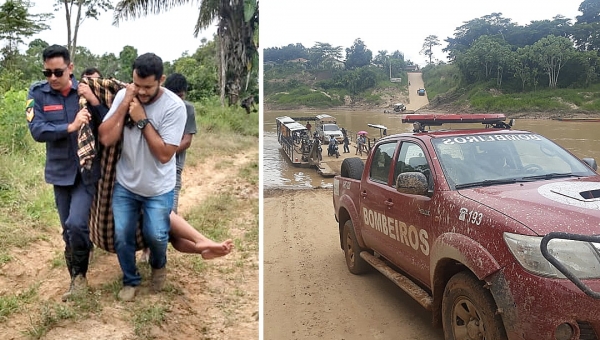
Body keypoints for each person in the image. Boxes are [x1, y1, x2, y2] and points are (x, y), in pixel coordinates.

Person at [99, 53, 186, 302]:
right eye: (137, 84)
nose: (142, 91)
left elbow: (164, 154)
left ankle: (158, 265)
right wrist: (125, 102)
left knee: (157, 235)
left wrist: (141, 120)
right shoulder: (125, 96)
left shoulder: (174, 107)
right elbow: (106, 138)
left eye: (147, 87)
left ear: (162, 80)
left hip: (158, 187)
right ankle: (130, 279)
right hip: (126, 183)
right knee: (122, 234)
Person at [26, 44, 109, 301]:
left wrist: (94, 101)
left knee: (76, 223)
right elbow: (38, 131)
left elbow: (108, 121)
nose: (52, 78)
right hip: (60, 171)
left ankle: (79, 278)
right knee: (67, 229)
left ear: (70, 68)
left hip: (86, 170)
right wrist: (70, 126)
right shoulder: (37, 94)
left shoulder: (86, 90)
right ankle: (76, 273)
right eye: (47, 72)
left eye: (58, 72)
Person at [163, 73, 197, 214]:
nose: (177, 100)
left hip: (174, 165)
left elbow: (186, 141)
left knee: (171, 211)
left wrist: (164, 152)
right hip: (154, 165)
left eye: (180, 96)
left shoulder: (187, 109)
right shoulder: (160, 106)